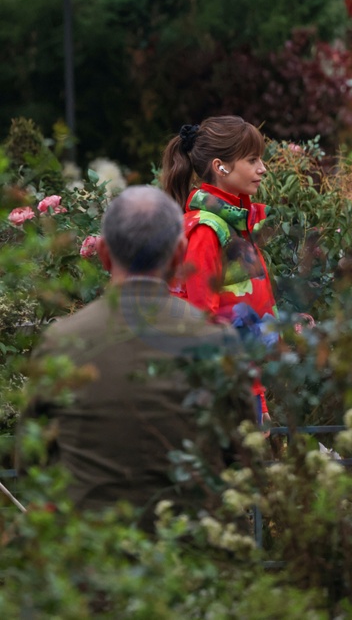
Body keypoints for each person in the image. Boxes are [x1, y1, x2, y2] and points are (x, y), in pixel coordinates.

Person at [18, 186, 252, 532]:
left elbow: (31, 461)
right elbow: (242, 459)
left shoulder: (62, 342)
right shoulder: (216, 342)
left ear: (103, 254)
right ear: (179, 254)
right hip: (190, 548)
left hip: (92, 548)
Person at [161, 116, 278, 425]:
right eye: (252, 160)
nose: (262, 168)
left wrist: (258, 397)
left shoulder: (233, 224)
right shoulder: (208, 229)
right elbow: (205, 322)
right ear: (220, 166)